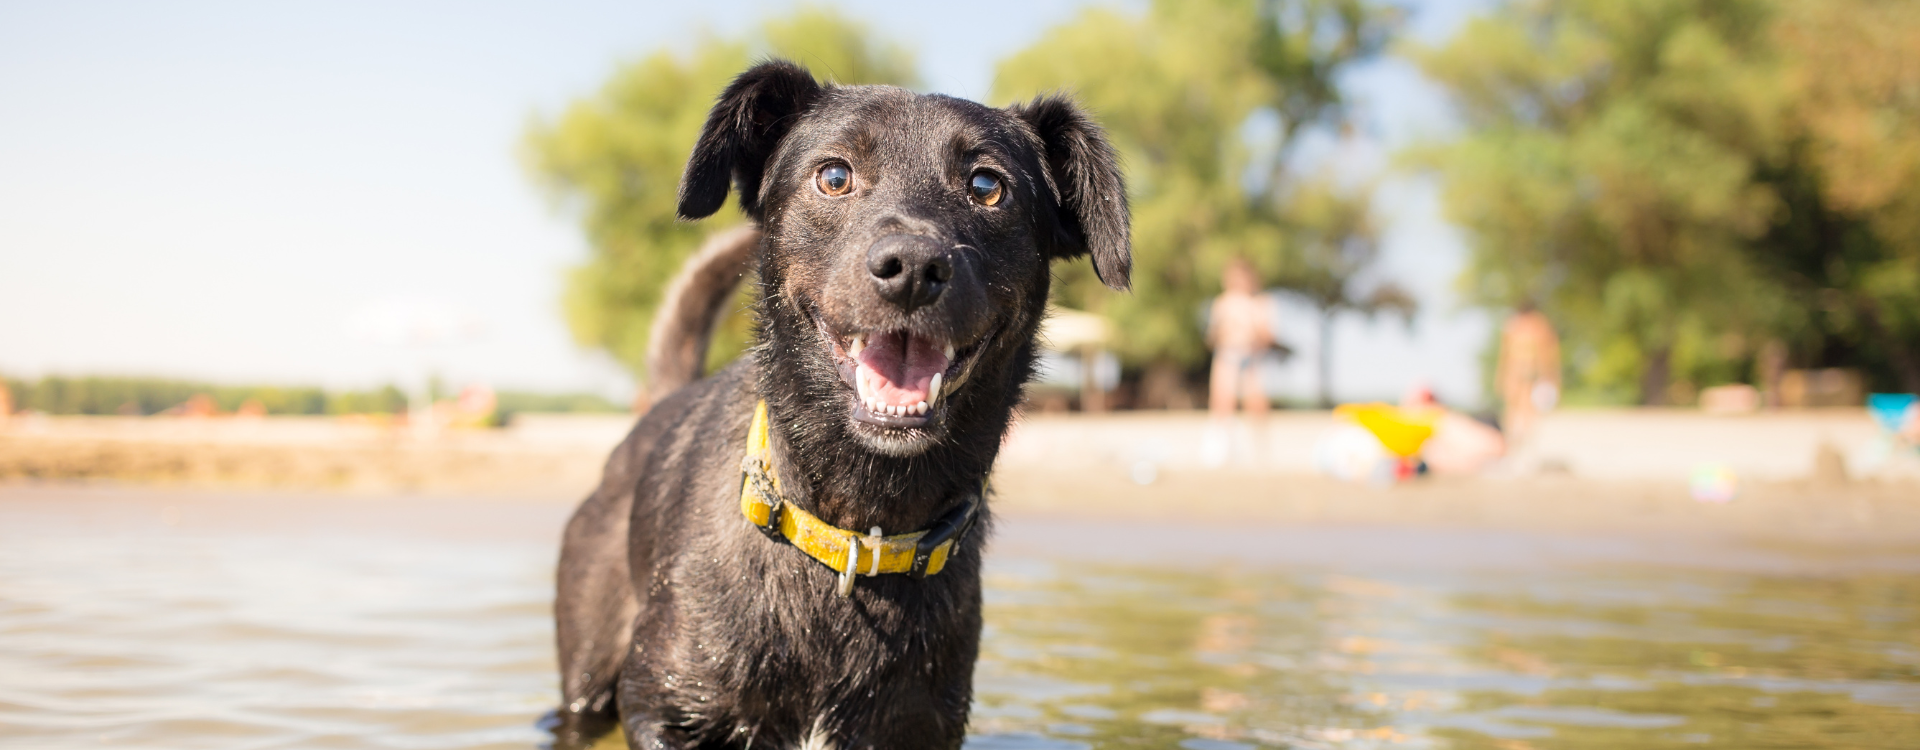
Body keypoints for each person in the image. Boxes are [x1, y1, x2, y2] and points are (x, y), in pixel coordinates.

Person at [1207, 258, 1276, 421]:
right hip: (1227, 353)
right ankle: (1222, 429)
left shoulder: (1259, 302)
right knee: (1222, 395)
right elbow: (1212, 335)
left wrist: (1254, 333)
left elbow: (1267, 335)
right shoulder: (1222, 302)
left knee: (1254, 397)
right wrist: (1223, 332)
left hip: (1250, 355)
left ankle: (1258, 430)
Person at [1494, 300, 1561, 444]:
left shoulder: (1522, 325)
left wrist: (1547, 373)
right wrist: (1549, 373)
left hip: (1521, 369)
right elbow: (1547, 350)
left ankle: (1519, 435)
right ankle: (1516, 435)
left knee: (1520, 404)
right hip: (1522, 369)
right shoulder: (1534, 324)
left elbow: (1505, 353)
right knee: (1517, 404)